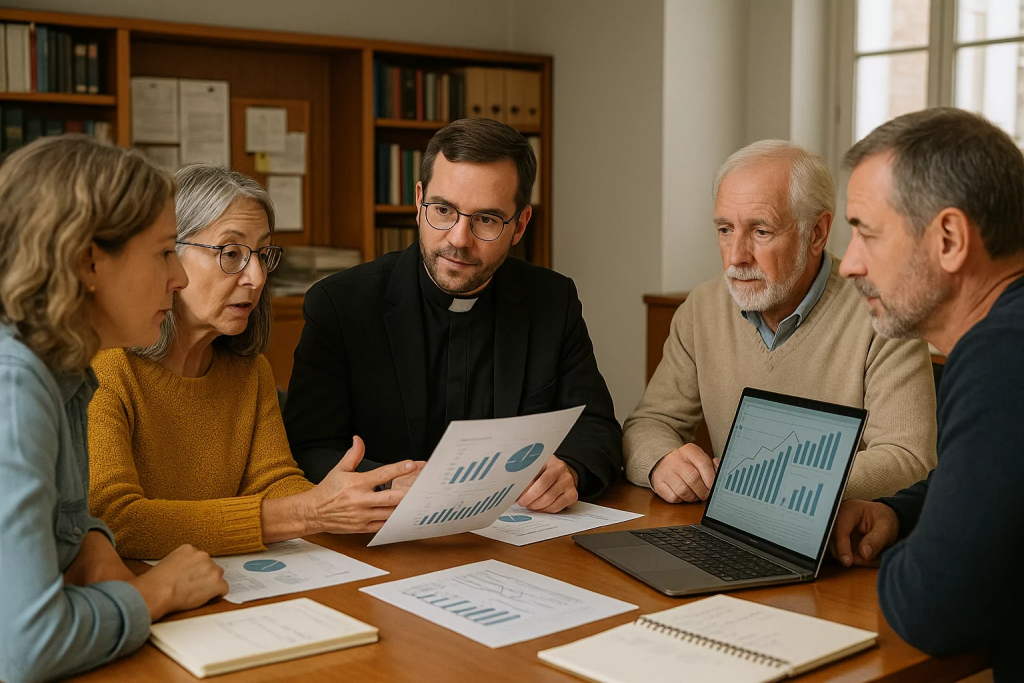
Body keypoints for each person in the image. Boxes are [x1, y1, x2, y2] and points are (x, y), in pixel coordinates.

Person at [284, 118, 621, 512]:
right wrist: (389, 481)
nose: (458, 239)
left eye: (486, 220)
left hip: (518, 542)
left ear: (520, 226)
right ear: (418, 201)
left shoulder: (552, 300)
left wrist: (570, 472)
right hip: (382, 535)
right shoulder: (341, 305)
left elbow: (595, 426)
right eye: (443, 210)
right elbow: (308, 446)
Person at [88, 165, 423, 560]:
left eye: (263, 254)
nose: (257, 276)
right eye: (231, 254)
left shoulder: (249, 370)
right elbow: (118, 520)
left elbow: (275, 481)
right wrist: (308, 511)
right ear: (168, 255)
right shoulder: (105, 368)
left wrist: (366, 496)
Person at [0, 137, 228, 683]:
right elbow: (27, 647)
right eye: (164, 252)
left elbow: (62, 517)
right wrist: (157, 590)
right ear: (87, 260)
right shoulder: (15, 385)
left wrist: (92, 541)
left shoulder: (68, 369)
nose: (178, 278)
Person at [623, 140, 937, 503]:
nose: (736, 257)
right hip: (732, 536)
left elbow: (909, 460)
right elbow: (648, 424)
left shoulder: (884, 313)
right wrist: (662, 461)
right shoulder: (701, 309)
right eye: (725, 229)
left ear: (816, 233)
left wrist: (771, 481)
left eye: (761, 231)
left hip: (838, 545)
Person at [829, 108, 1024, 679]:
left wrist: (912, 558)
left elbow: (933, 607)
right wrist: (898, 514)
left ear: (949, 238)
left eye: (865, 230)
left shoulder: (1003, 355)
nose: (850, 264)